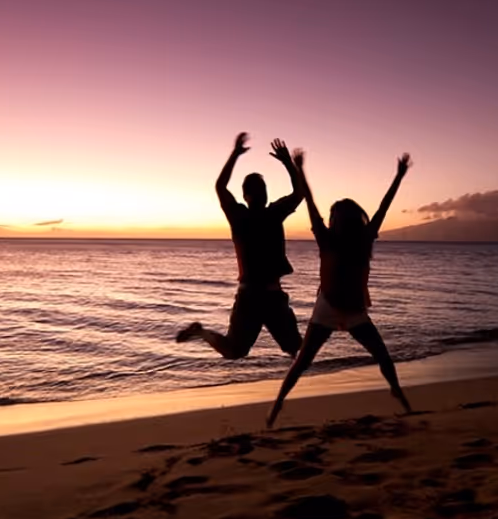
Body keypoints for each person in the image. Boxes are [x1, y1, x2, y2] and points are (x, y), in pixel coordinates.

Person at [266, 151, 414, 427]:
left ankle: (276, 407)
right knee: (374, 356)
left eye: (334, 216)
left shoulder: (337, 239)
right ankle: (276, 406)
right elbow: (383, 206)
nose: (331, 219)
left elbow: (312, 204)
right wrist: (398, 176)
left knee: (306, 363)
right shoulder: (353, 238)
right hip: (332, 307)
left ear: (339, 220)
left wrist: (300, 169)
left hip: (348, 308)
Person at [176, 132, 305, 360]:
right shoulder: (264, 214)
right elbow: (299, 193)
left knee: (249, 350)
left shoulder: (249, 215)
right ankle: (201, 332)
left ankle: (201, 332)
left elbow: (220, 186)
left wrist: (235, 154)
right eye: (258, 191)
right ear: (247, 196)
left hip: (258, 297)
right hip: (261, 297)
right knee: (291, 347)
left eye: (261, 191)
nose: (259, 194)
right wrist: (287, 163)